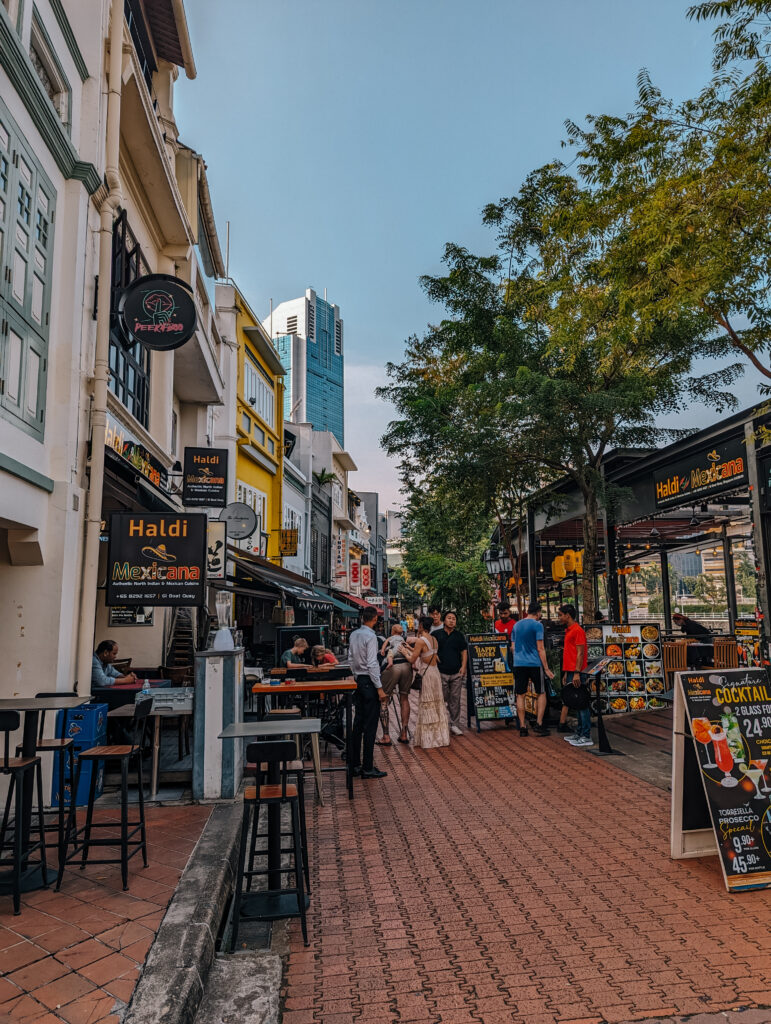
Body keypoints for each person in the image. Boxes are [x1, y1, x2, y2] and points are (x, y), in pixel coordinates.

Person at [349, 608, 388, 778]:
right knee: (370, 726)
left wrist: (356, 676)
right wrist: (379, 688)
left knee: (358, 724)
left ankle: (355, 764)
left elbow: (351, 659)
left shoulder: (353, 635)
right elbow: (372, 663)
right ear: (374, 619)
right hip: (369, 682)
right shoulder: (371, 636)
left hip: (359, 680)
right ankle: (368, 766)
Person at [512, 601, 554, 736]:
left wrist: (519, 656)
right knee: (541, 693)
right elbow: (540, 648)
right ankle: (539, 724)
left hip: (519, 664)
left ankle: (523, 727)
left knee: (520, 695)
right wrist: (546, 668)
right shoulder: (538, 625)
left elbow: (512, 647)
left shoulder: (516, 625)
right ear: (538, 613)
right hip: (534, 663)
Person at [408, 616, 450, 749]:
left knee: (427, 703)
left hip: (426, 674)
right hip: (435, 672)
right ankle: (439, 737)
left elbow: (412, 659)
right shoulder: (434, 639)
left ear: (421, 626)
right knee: (437, 703)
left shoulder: (420, 641)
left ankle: (428, 739)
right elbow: (429, 655)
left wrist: (404, 651)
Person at [555, 605, 592, 747]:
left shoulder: (577, 631)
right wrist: (566, 672)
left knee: (581, 702)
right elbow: (570, 653)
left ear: (568, 615)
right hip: (571, 671)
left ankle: (586, 735)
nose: (559, 618)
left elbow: (580, 653)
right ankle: (580, 732)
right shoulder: (570, 630)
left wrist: (576, 672)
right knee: (576, 702)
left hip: (577, 671)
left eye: (560, 615)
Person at [378, 625, 413, 745]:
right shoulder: (403, 640)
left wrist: (383, 650)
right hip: (407, 666)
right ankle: (404, 733)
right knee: (404, 698)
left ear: (392, 631)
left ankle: (386, 736)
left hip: (393, 667)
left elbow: (384, 649)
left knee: (384, 698)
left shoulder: (389, 638)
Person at [435, 611, 468, 736]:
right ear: (444, 620)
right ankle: (441, 723)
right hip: (441, 672)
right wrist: (437, 660)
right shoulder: (437, 634)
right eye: (449, 618)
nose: (451, 620)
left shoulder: (459, 636)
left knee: (455, 699)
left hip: (456, 673)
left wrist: (463, 667)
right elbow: (431, 649)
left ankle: (455, 724)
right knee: (441, 699)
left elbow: (464, 652)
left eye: (454, 618)